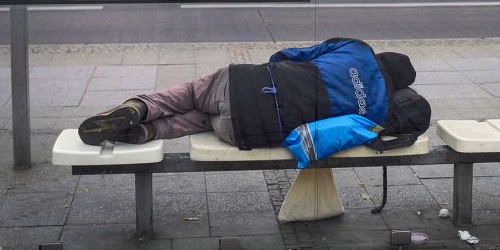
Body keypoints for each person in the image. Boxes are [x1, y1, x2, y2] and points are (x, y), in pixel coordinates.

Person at [78, 38, 418, 150]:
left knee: (190, 94)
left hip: (245, 84)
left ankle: (139, 108)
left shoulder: (357, 49)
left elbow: (289, 55)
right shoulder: (375, 115)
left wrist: (278, 73)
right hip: (248, 132)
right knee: (204, 121)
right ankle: (151, 131)